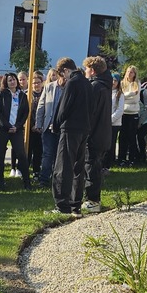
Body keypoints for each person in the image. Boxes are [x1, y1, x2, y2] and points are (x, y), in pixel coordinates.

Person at [49, 57, 91, 215]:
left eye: (62, 74)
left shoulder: (72, 83)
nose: (63, 78)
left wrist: (56, 125)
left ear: (66, 70)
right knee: (78, 168)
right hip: (84, 128)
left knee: (63, 166)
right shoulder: (87, 83)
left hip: (70, 128)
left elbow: (64, 107)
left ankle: (62, 205)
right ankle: (75, 204)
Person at [81, 57, 112, 213]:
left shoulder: (95, 87)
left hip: (94, 133)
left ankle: (93, 200)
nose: (85, 71)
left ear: (92, 71)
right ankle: (93, 199)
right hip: (103, 132)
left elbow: (90, 112)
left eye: (86, 69)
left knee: (91, 167)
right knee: (95, 166)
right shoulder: (105, 85)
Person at [0, 73, 31, 189]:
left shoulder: (22, 95)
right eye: (9, 80)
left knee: (21, 154)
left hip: (16, 129)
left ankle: (27, 182)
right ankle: (1, 183)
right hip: (2, 129)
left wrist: (17, 126)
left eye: (14, 80)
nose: (12, 82)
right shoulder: (1, 94)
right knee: (0, 155)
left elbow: (25, 112)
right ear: (6, 82)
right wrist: (7, 126)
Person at [33, 67, 62, 186]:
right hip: (48, 127)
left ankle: (57, 179)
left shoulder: (68, 88)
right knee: (47, 154)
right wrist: (38, 124)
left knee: (59, 155)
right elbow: (41, 106)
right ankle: (44, 179)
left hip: (61, 128)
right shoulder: (49, 87)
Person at [118, 66, 141, 165]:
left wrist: (126, 96)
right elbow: (120, 97)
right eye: (128, 72)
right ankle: (121, 158)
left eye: (131, 72)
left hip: (133, 113)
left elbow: (136, 99)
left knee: (132, 136)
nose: (129, 74)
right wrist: (131, 94)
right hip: (124, 113)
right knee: (122, 136)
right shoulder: (122, 83)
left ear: (134, 74)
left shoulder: (137, 83)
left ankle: (132, 158)